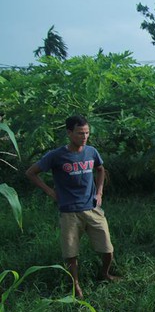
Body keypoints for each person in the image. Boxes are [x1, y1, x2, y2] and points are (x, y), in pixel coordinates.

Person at [26, 115, 117, 299]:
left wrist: (99, 192)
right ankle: (75, 284)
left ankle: (104, 273)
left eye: (87, 133)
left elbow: (100, 169)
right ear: (69, 133)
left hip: (92, 208)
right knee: (71, 252)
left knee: (108, 249)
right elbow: (31, 173)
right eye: (80, 133)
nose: (84, 137)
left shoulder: (91, 152)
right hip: (69, 211)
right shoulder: (56, 155)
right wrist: (50, 192)